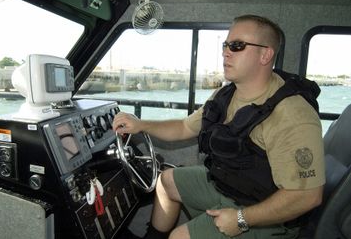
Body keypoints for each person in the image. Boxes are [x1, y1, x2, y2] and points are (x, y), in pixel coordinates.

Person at [112, 14, 325, 239]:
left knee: (178, 237)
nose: (225, 51)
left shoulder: (292, 113)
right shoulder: (226, 94)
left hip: (269, 216)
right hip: (228, 185)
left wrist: (241, 219)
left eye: (237, 45)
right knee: (165, 181)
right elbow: (185, 127)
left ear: (265, 54)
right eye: (226, 45)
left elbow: (308, 196)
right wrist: (141, 124)